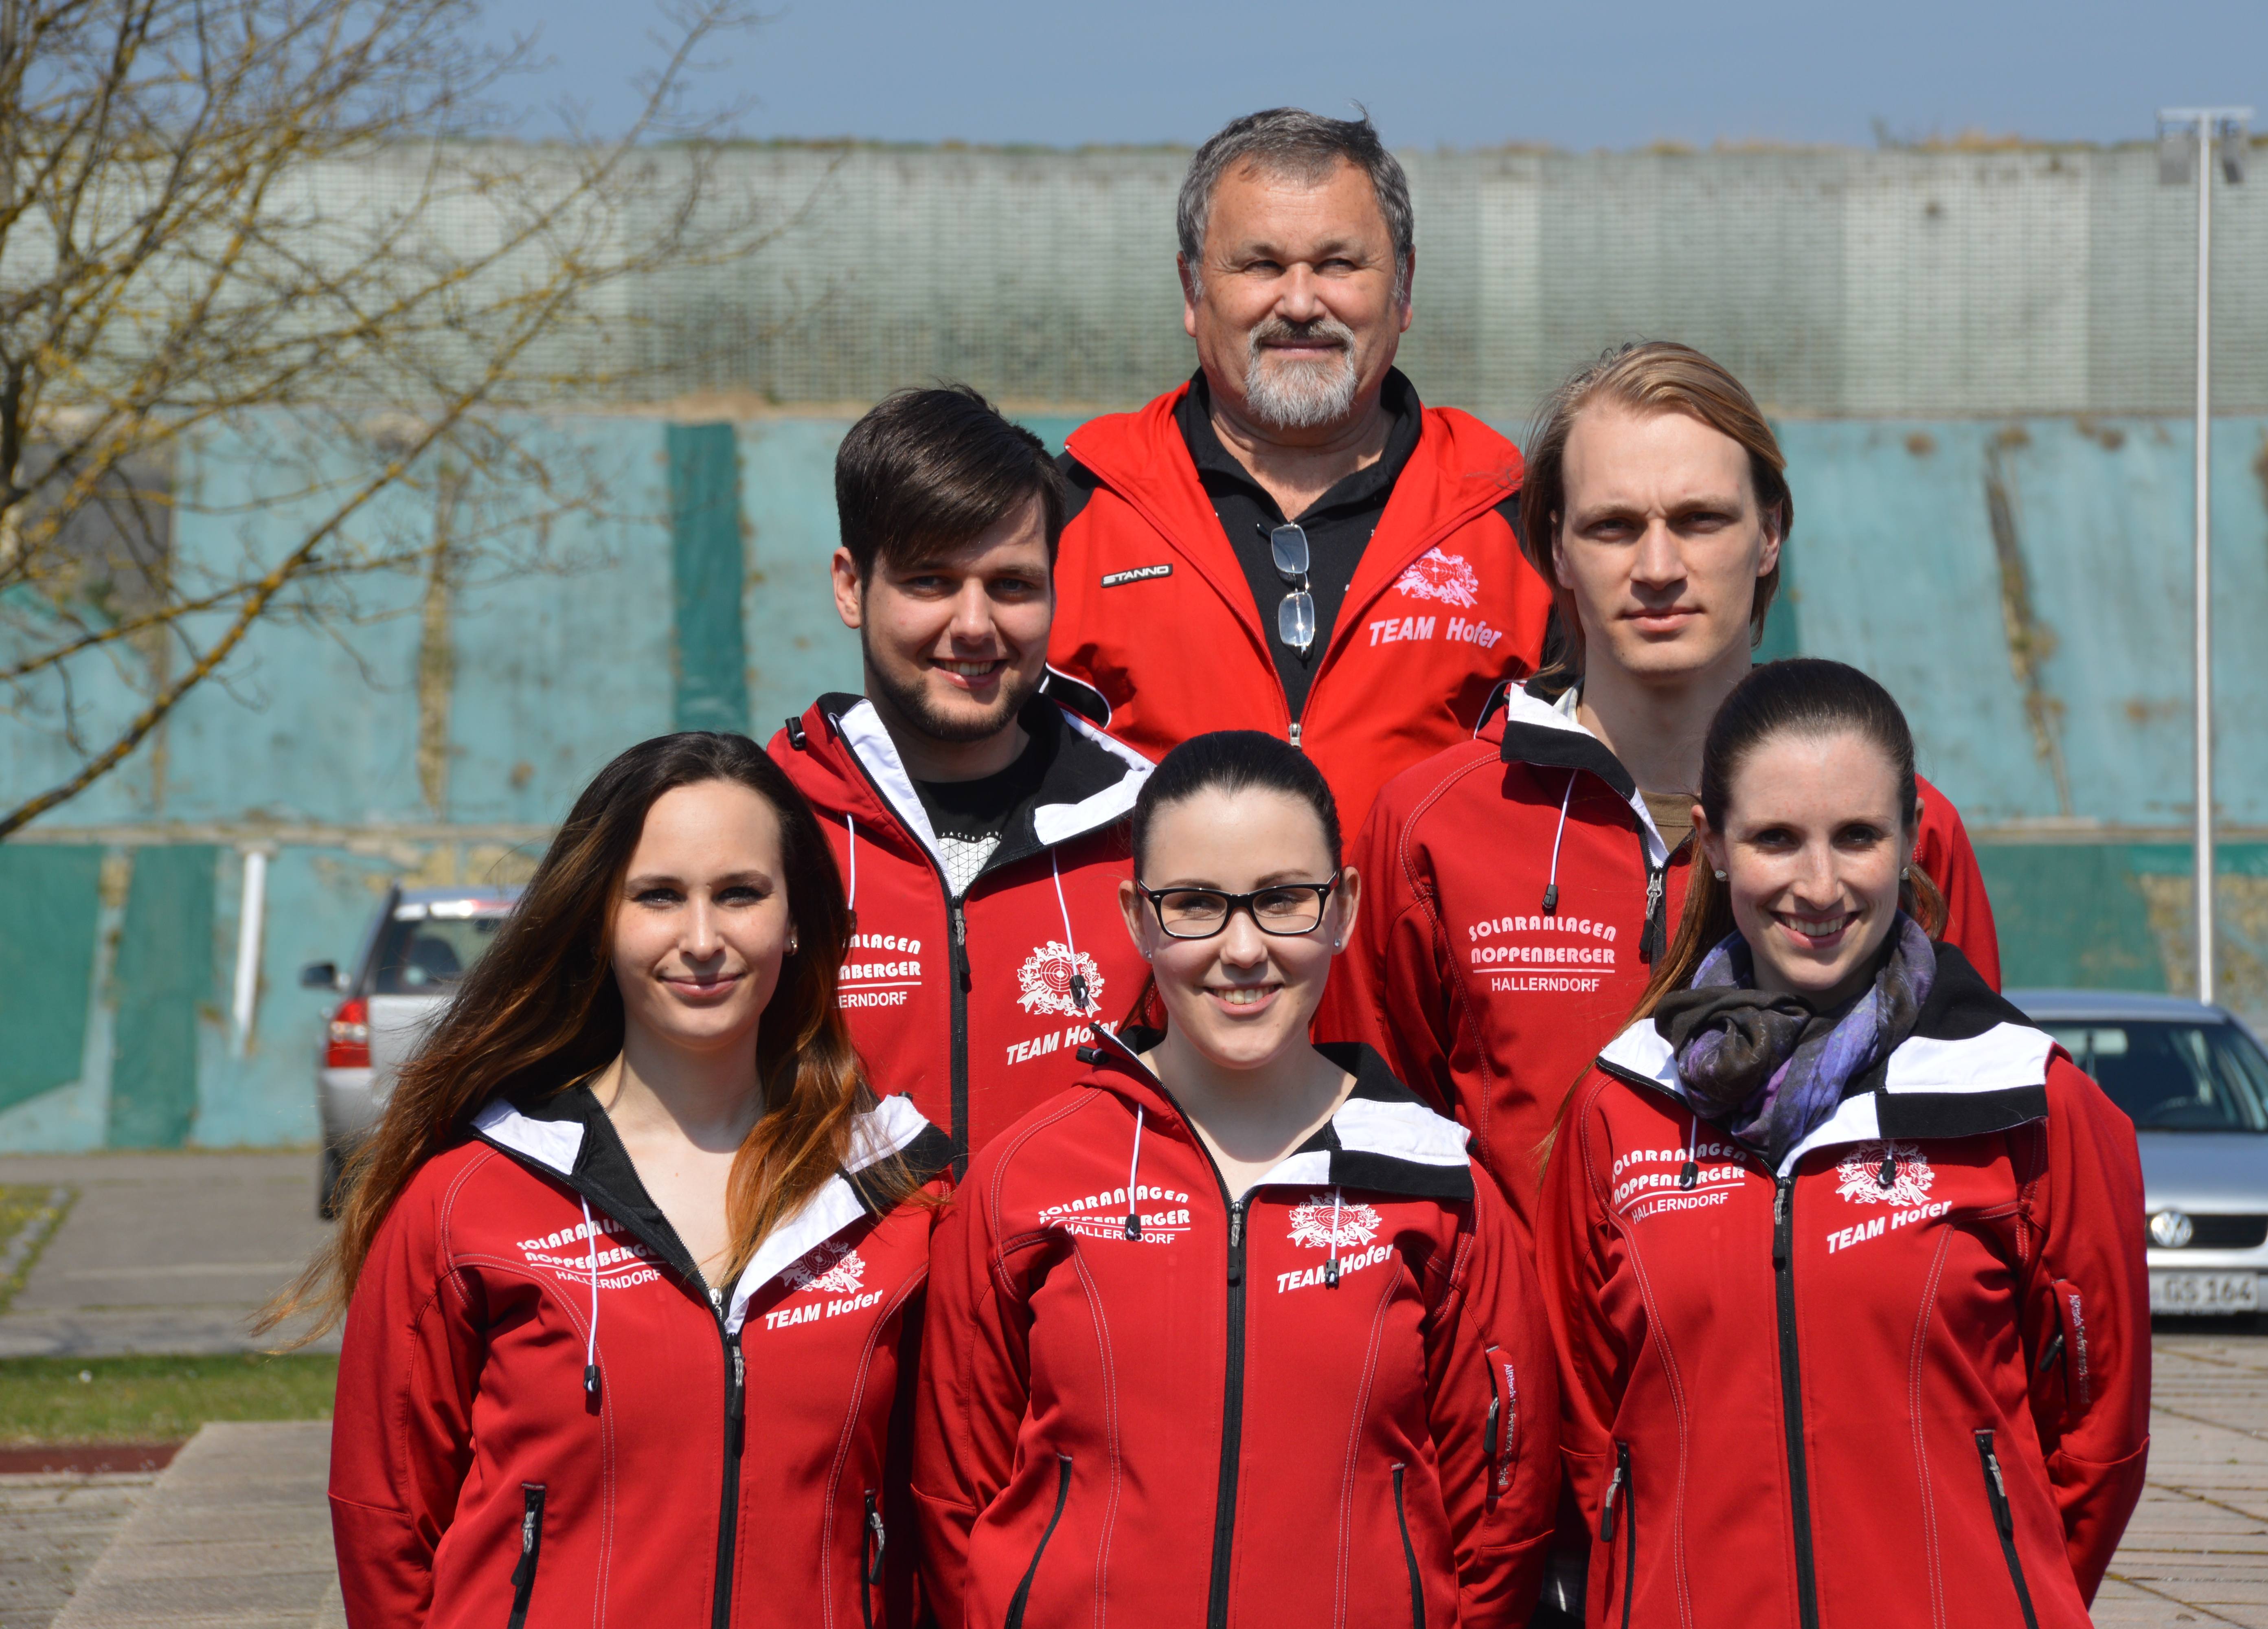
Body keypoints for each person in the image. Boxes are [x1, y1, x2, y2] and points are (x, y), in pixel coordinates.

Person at [1318, 341, 2002, 1225]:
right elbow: (1378, 1158)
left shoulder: (1904, 831)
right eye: (1612, 526)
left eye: (1698, 520)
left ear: (1770, 533)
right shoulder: (1428, 828)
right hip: (1527, 1363)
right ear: (1554, 547)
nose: (1655, 567)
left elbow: (1974, 1150)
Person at [281, 733, 952, 1629]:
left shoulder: (902, 1193)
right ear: (600, 916)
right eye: (659, 896)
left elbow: (956, 1505)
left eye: (741, 893)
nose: (703, 939)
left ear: (797, 917)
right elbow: (385, 1518)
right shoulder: (468, 1196)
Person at [1539, 660, 2149, 1629]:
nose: (1817, 885)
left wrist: (1992, 1590)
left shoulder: (2026, 1100)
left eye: (1856, 836)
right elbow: (1591, 1437)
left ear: (1910, 839)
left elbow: (2097, 1439)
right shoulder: (1621, 1104)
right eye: (1776, 838)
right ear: (1715, 844)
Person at [912, 732, 1557, 1629]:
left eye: (1283, 899)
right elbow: (956, 1499)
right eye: (1195, 905)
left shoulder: (1440, 1186)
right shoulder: (1026, 1177)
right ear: (1136, 916)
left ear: (1343, 907)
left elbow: (1499, 1516)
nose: (1243, 948)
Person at [1049, 108, 1554, 836]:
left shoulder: (1518, 518)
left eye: (1339, 264)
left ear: (1404, 286)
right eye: (1260, 265)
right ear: (1192, 290)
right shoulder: (1072, 509)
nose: (1299, 302)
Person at [771, 386, 1153, 1161]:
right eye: (931, 582)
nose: (974, 625)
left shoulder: (1155, 831)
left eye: (1011, 585)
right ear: (851, 587)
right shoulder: (756, 829)